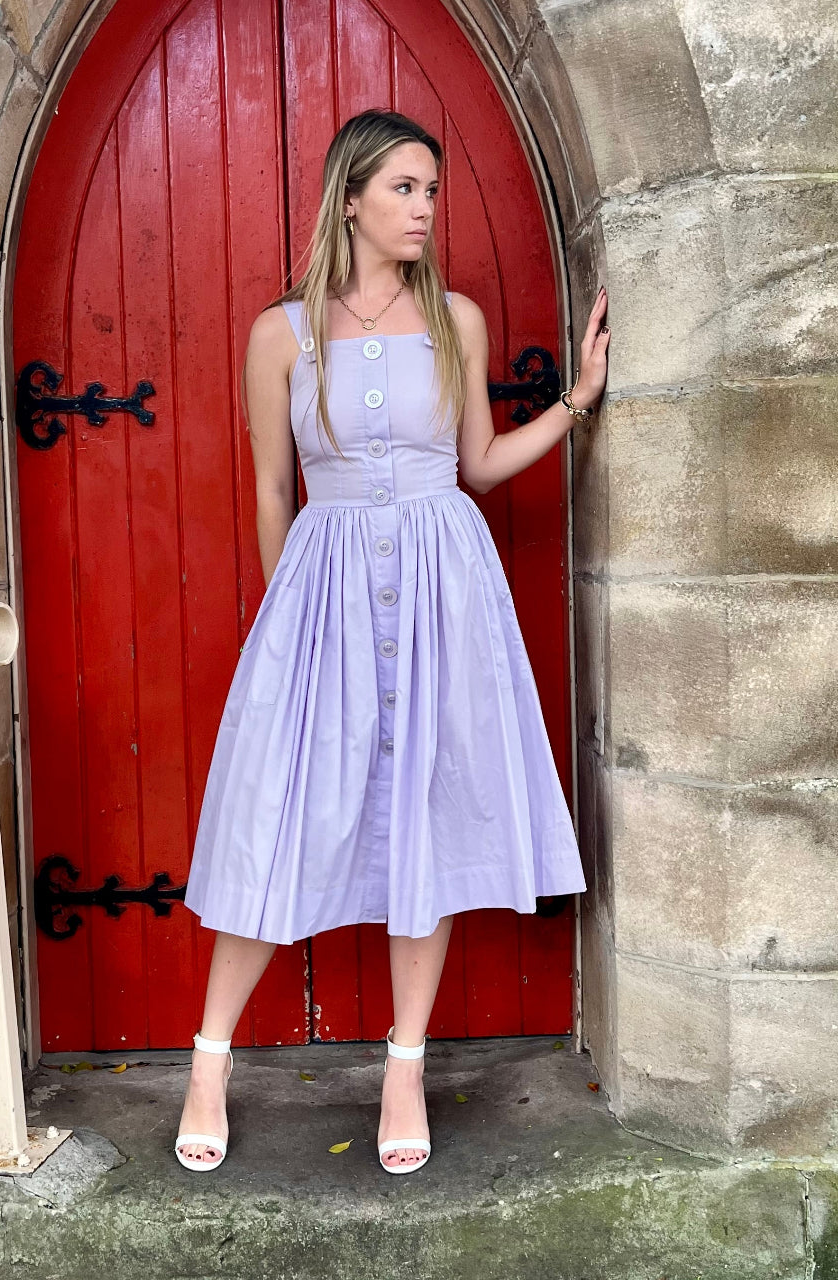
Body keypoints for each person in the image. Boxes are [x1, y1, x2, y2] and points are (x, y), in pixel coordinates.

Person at [174, 109, 609, 1174]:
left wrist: (573, 401)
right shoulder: (280, 332)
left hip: (439, 587)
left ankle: (404, 1062)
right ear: (352, 196)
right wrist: (290, 618)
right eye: (405, 188)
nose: (423, 208)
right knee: (278, 813)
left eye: (431, 190)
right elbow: (275, 488)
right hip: (322, 591)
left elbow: (480, 464)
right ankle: (208, 1059)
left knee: (426, 805)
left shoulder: (452, 317)